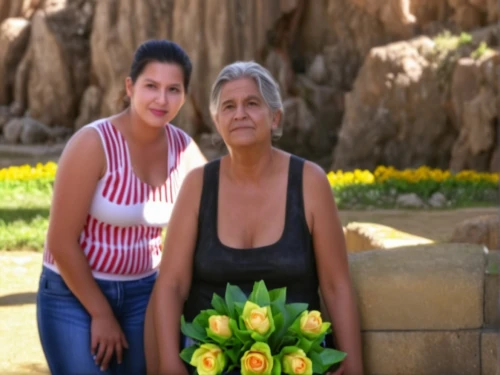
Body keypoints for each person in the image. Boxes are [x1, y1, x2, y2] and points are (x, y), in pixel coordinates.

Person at [144, 61, 364, 375]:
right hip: (210, 363)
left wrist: (353, 363)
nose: (240, 114)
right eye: (229, 106)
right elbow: (171, 285)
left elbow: (335, 284)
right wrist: (169, 364)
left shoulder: (310, 182)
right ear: (217, 121)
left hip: (297, 362)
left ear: (275, 117)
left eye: (252, 103)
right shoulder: (197, 186)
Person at [36, 39, 207, 375]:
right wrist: (101, 313)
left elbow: (216, 211)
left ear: (185, 96)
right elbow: (60, 242)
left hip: (145, 294)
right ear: (130, 87)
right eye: (151, 86)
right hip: (71, 294)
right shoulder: (92, 143)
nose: (162, 99)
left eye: (173, 89)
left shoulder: (184, 150)